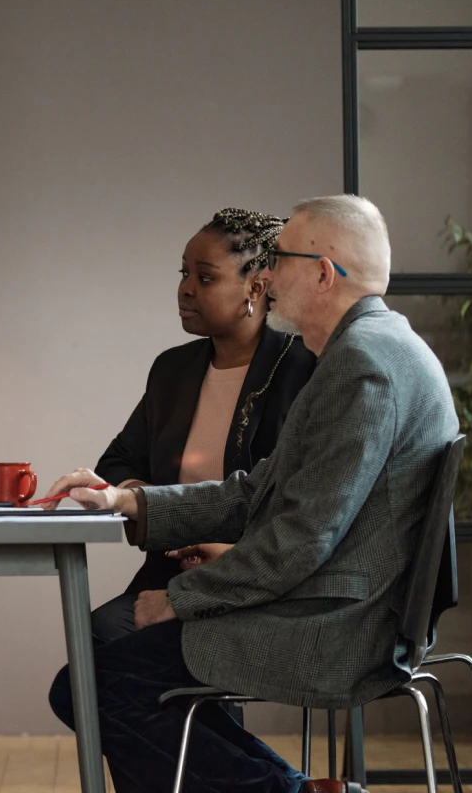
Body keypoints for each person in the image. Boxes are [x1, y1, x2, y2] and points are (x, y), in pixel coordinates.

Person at [44, 195, 459, 793]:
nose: (267, 275)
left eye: (280, 259)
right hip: (332, 604)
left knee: (92, 684)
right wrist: (127, 501)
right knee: (109, 675)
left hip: (340, 626)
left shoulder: (362, 365)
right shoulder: (368, 349)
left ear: (323, 271)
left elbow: (299, 539)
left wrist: (182, 599)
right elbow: (258, 491)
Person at [91, 207, 316, 649]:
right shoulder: (173, 369)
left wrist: (225, 550)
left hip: (255, 579)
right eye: (183, 274)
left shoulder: (302, 368)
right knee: (98, 640)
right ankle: (207, 722)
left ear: (257, 286)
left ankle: (207, 722)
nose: (185, 289)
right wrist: (146, 503)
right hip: (170, 574)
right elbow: (116, 462)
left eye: (205, 277)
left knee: (112, 658)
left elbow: (297, 496)